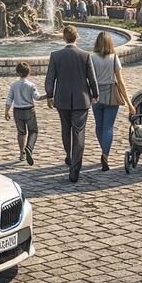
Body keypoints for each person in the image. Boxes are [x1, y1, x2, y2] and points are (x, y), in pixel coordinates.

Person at [45, 25, 99, 183]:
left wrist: (50, 94)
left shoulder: (55, 55)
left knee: (65, 128)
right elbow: (92, 78)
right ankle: (75, 168)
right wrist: (95, 94)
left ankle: (68, 155)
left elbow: (50, 78)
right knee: (78, 132)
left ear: (63, 38)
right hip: (82, 99)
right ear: (77, 37)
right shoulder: (85, 55)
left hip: (61, 99)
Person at [90, 32, 135, 171]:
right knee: (108, 127)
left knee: (99, 125)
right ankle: (105, 154)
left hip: (95, 95)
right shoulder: (114, 57)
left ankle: (103, 149)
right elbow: (120, 81)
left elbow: (88, 79)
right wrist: (129, 103)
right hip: (111, 95)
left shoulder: (91, 58)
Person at [5, 61, 45, 165]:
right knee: (33, 131)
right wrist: (48, 95)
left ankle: (22, 152)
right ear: (29, 72)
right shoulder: (31, 85)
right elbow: (37, 97)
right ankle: (29, 148)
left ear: (17, 73)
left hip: (17, 110)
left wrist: (6, 110)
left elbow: (9, 98)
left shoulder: (14, 85)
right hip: (29, 110)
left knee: (21, 132)